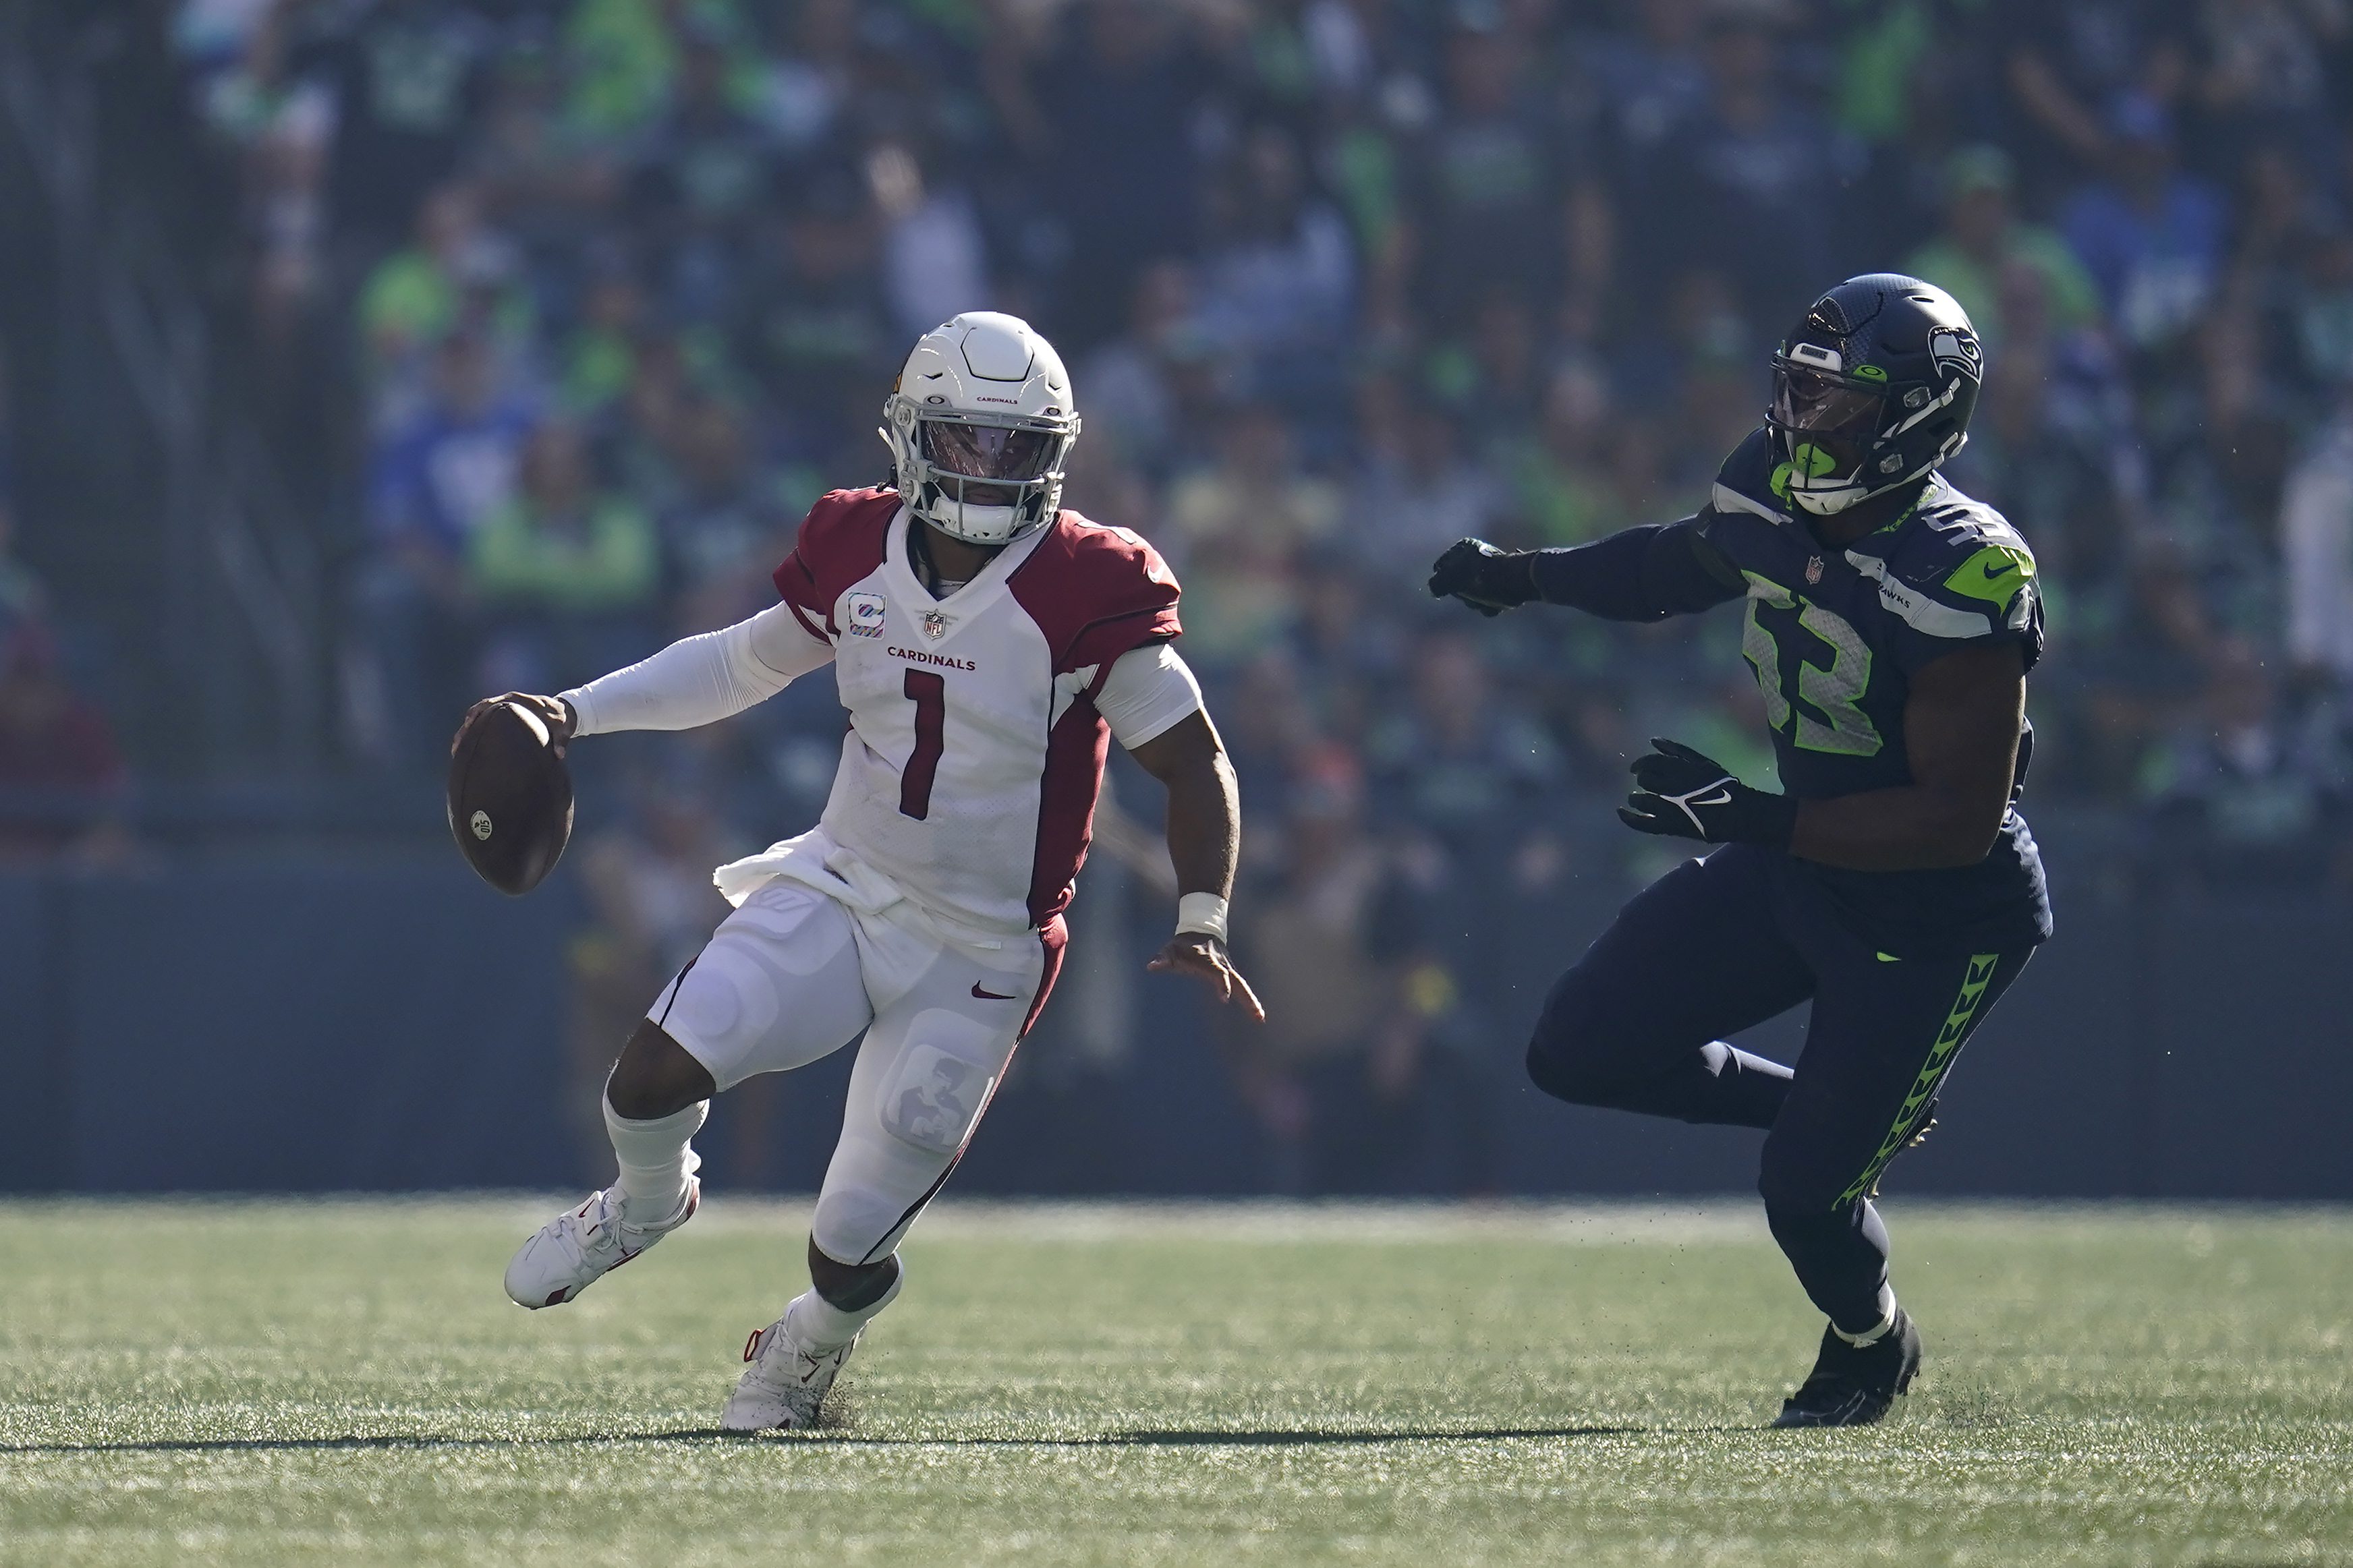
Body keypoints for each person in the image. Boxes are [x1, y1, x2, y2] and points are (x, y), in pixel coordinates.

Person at [485, 312, 1262, 1432]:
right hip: (845, 885)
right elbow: (739, 664)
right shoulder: (854, 543)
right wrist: (576, 713)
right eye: (967, 440)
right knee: (650, 1075)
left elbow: (1196, 762)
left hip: (983, 948)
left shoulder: (1089, 582)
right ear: (910, 435)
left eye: (1015, 445)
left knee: (849, 1239)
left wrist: (1206, 913)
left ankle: (811, 1338)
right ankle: (645, 1204)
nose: (991, 471)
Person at [1429, 276, 2050, 1427]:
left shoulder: (1965, 568)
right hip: (1807, 864)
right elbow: (1679, 565)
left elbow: (1953, 820)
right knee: (1580, 1046)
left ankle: (1872, 1342)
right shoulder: (1772, 481)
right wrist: (1526, 577)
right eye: (1798, 392)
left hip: (1934, 913)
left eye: (1835, 402)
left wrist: (1750, 814)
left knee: (1809, 1195)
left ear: (1913, 416)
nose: (1799, 421)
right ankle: (1830, 1107)